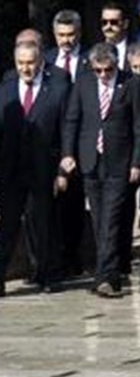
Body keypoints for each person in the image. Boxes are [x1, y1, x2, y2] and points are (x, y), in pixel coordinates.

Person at [63, 44, 140, 298]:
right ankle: (108, 274)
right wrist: (68, 154)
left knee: (111, 220)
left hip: (118, 163)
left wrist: (137, 162)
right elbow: (72, 120)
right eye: (97, 70)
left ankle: (105, 278)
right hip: (90, 160)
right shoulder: (84, 83)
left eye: (107, 70)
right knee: (99, 220)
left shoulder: (130, 84)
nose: (102, 75)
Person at [0, 40, 72, 294]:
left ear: (40, 61)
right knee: (7, 224)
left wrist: (64, 162)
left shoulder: (57, 87)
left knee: (42, 223)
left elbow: (66, 126)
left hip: (43, 167)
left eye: (30, 63)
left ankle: (49, 275)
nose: (26, 68)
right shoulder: (7, 87)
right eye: (21, 63)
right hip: (11, 169)